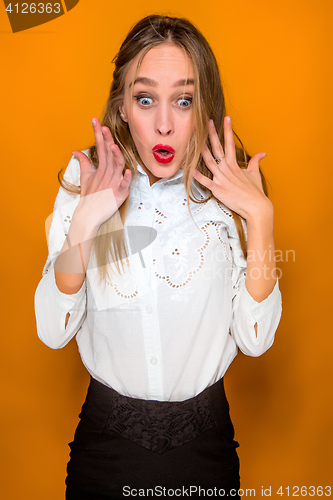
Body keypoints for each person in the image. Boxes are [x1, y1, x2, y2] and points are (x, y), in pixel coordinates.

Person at [35, 14, 282, 500]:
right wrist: (85, 222)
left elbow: (254, 341)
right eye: (145, 99)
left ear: (204, 105)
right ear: (122, 106)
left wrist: (261, 219)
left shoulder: (229, 191)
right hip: (106, 453)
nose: (164, 123)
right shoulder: (88, 177)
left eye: (183, 100)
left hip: (205, 454)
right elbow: (53, 329)